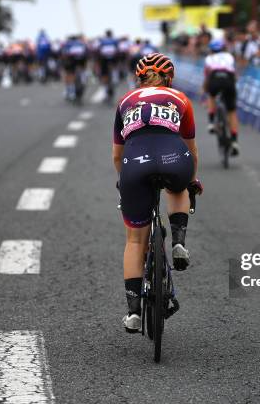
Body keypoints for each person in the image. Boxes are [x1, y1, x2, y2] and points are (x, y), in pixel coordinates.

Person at [112, 53, 202, 332]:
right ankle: (178, 241)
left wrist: (124, 182)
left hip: (135, 165)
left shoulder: (125, 102)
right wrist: (192, 179)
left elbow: (117, 155)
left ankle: (134, 311)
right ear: (169, 78)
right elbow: (191, 148)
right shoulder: (180, 99)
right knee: (178, 187)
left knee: (135, 241)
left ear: (138, 78)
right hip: (175, 158)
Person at [203, 39, 239, 156]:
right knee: (232, 111)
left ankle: (211, 122)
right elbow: (234, 75)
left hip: (214, 78)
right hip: (228, 79)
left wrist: (205, 89)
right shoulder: (229, 56)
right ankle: (234, 141)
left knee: (211, 95)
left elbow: (207, 77)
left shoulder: (209, 58)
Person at [60, 35, 88, 101]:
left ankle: (71, 92)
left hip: (71, 60)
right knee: (82, 69)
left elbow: (63, 53)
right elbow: (87, 52)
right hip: (82, 60)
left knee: (69, 74)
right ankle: (83, 78)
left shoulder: (67, 43)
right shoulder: (82, 43)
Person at [97, 29, 119, 102]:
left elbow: (98, 50)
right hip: (113, 58)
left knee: (104, 75)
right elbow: (118, 49)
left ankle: (105, 88)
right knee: (115, 66)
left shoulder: (102, 40)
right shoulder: (115, 40)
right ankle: (115, 77)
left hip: (104, 58)